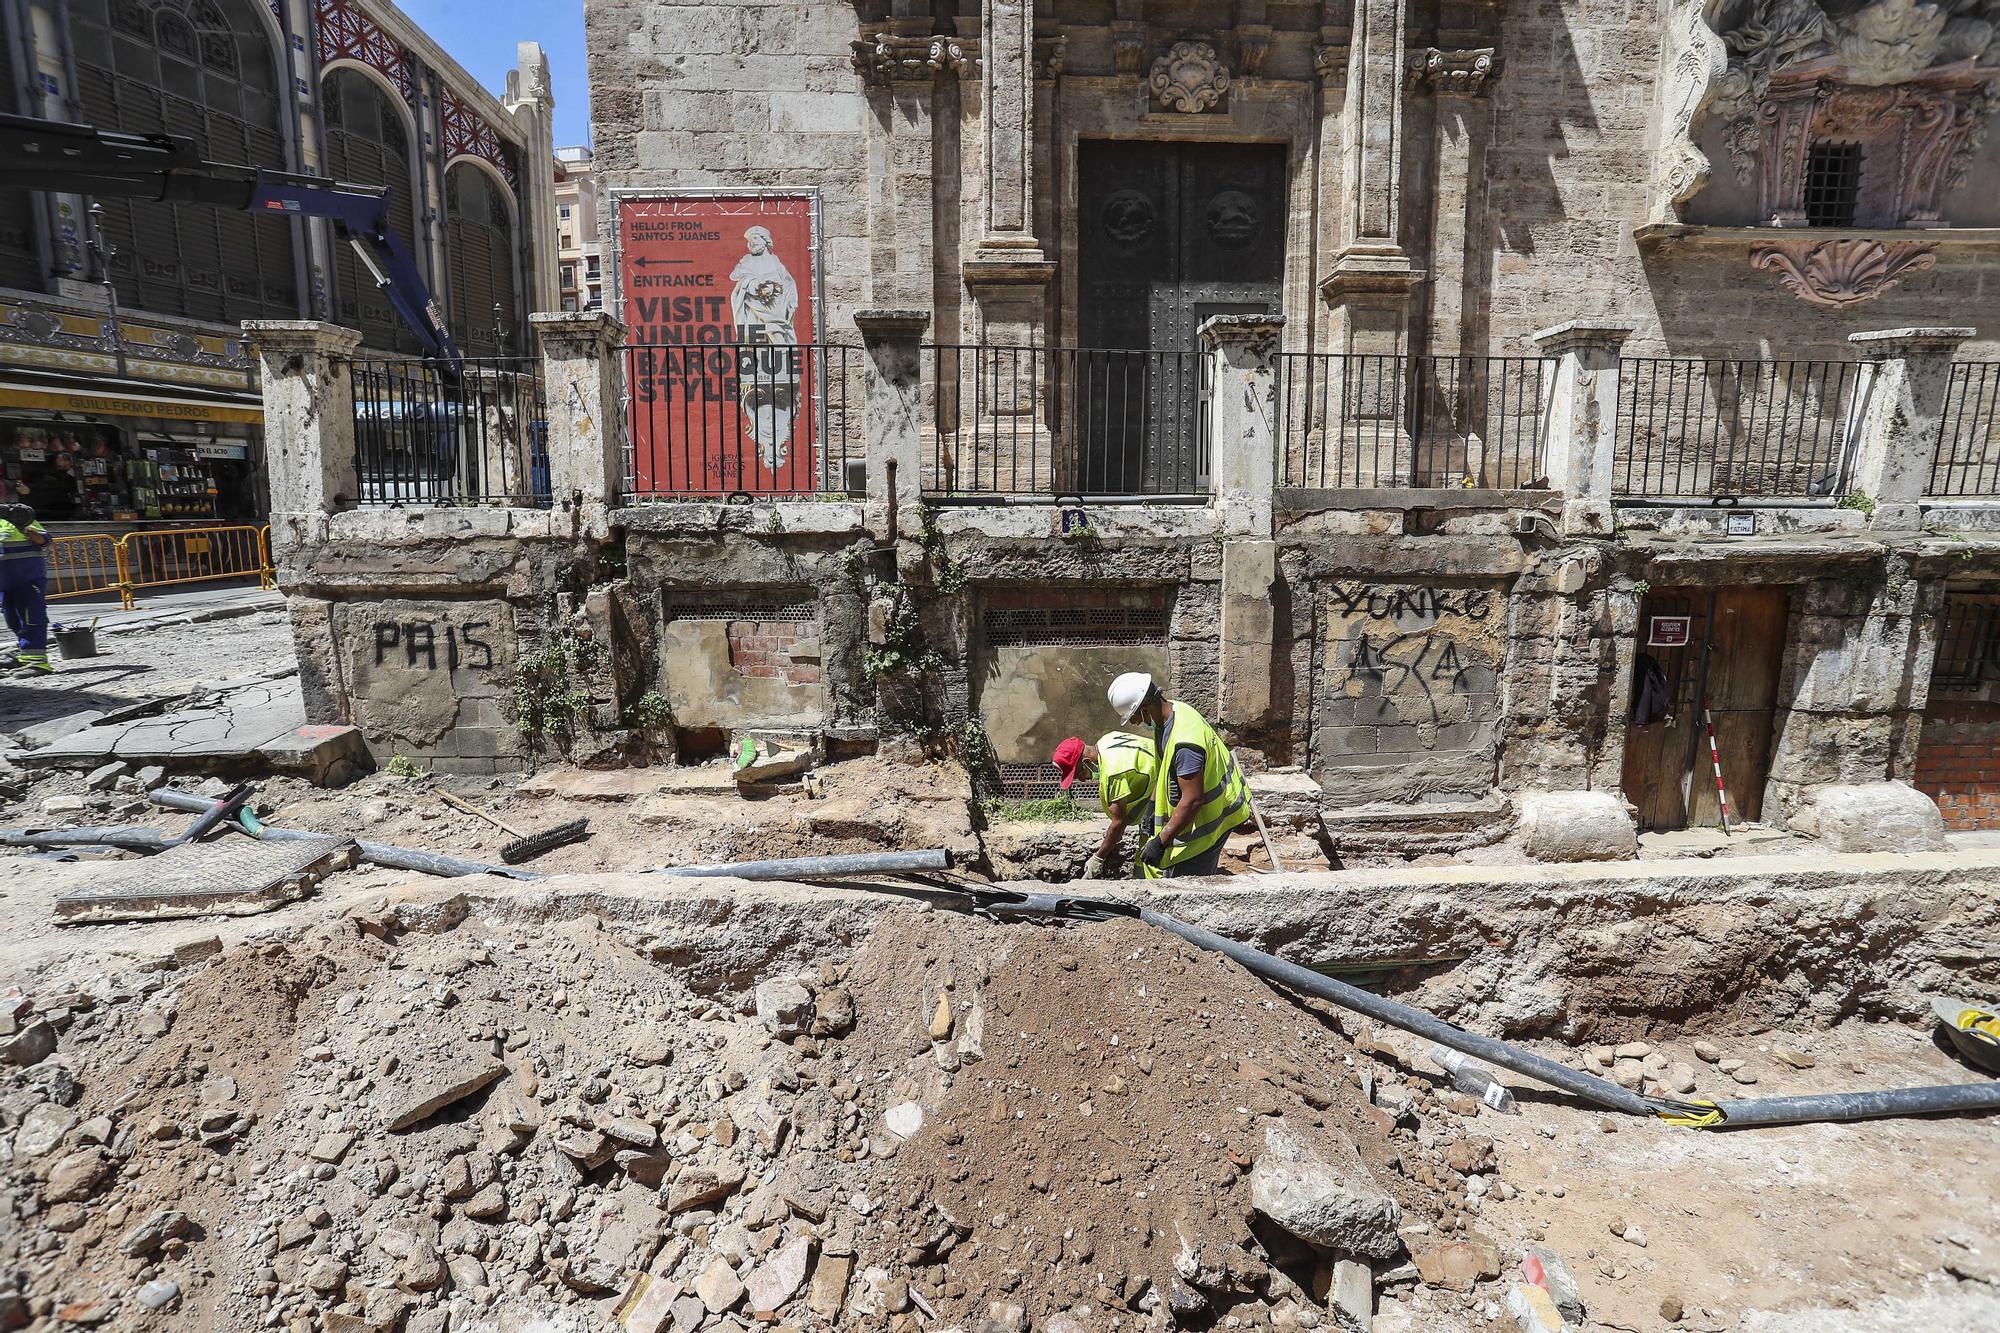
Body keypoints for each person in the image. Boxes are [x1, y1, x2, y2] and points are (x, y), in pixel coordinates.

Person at [1107, 670, 1249, 877]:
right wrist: (1151, 807)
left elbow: (1192, 800)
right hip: (1195, 816)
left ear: (1145, 708)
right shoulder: (1169, 717)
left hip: (1210, 821)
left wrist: (1161, 841)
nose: (1135, 723)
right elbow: (1165, 771)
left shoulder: (1185, 744)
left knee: (1188, 887)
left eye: (1133, 717)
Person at [1050, 730, 1159, 879]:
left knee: (1154, 864)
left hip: (1168, 792)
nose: (1082, 780)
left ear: (1086, 763)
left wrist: (1098, 858)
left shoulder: (1112, 772)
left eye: (1079, 773)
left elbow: (1119, 823)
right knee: (1143, 857)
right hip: (1161, 780)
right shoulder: (1107, 740)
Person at [0, 500, 52, 673]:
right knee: (12, 619)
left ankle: (38, 661)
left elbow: (43, 540)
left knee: (32, 617)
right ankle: (26, 654)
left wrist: (23, 526)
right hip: (5, 581)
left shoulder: (19, 515)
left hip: (28, 579)